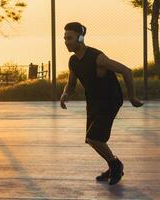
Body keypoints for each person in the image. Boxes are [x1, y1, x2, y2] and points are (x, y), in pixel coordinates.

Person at [60, 22, 144, 185]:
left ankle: (116, 166)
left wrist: (132, 98)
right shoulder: (73, 61)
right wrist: (65, 93)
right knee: (93, 139)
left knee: (94, 138)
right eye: (64, 38)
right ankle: (113, 164)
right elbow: (71, 84)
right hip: (93, 102)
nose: (66, 42)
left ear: (80, 38)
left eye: (69, 38)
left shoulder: (97, 57)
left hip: (110, 100)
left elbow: (126, 70)